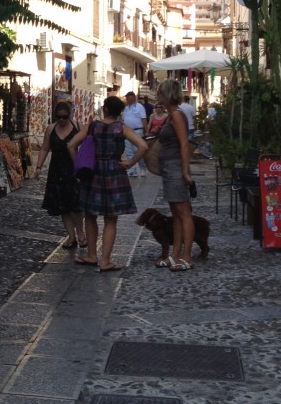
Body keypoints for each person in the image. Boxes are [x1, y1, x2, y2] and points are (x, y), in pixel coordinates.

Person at [67, 95, 147, 272]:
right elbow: (143, 146)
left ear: (106, 109)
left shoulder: (92, 126)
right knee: (111, 219)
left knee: (90, 214)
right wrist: (130, 163)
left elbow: (71, 145)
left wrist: (79, 165)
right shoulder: (122, 128)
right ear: (119, 112)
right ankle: (105, 261)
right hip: (114, 171)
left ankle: (91, 255)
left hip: (93, 172)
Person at [155, 78, 195, 271]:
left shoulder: (177, 115)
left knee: (184, 213)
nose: (158, 96)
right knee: (176, 214)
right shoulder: (171, 115)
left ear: (168, 95)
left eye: (160, 93)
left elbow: (184, 144)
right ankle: (175, 253)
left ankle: (187, 256)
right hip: (169, 167)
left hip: (175, 167)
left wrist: (185, 171)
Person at [34, 101, 85, 249]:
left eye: (65, 117)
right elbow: (44, 148)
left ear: (70, 115)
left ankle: (81, 233)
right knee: (62, 205)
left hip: (74, 169)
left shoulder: (78, 126)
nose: (61, 120)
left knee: (76, 204)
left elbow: (87, 146)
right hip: (56, 170)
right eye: (58, 117)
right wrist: (38, 167)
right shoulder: (51, 129)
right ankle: (71, 236)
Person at [122, 90, 147, 178]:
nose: (127, 100)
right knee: (129, 151)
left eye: (128, 98)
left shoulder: (140, 107)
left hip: (137, 131)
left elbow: (144, 120)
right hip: (127, 132)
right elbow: (123, 120)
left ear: (133, 98)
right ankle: (132, 170)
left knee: (138, 150)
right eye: (127, 98)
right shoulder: (125, 108)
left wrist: (146, 131)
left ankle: (143, 169)